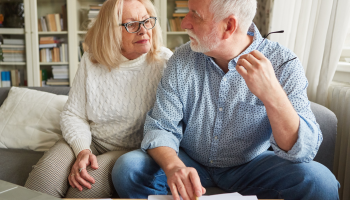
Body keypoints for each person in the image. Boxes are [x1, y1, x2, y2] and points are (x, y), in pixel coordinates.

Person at [111, 0, 340, 199]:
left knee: (321, 182)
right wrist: (174, 167)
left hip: (252, 166)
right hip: (190, 161)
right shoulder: (182, 59)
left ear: (229, 26)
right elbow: (160, 126)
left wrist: (273, 96)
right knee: (128, 169)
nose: (184, 23)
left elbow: (303, 150)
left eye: (195, 15)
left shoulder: (283, 63)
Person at [24, 0, 172, 198]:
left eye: (147, 21)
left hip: (130, 151)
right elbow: (73, 114)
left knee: (82, 188)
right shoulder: (92, 59)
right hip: (91, 141)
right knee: (43, 180)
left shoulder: (165, 62)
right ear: (111, 31)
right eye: (131, 24)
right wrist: (82, 150)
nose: (144, 30)